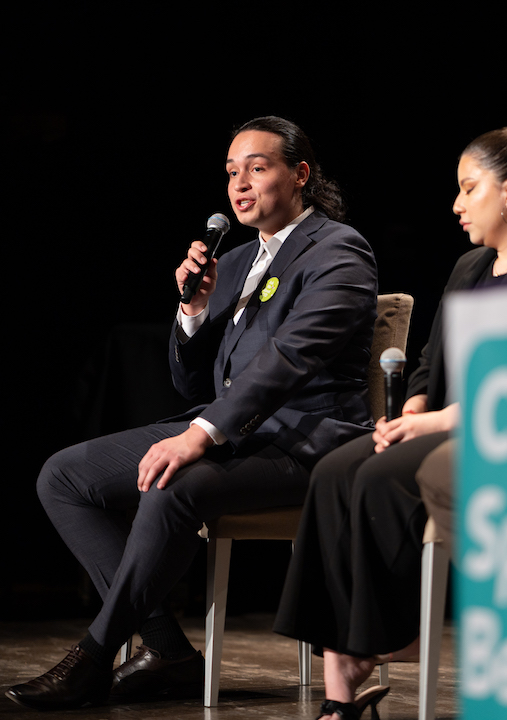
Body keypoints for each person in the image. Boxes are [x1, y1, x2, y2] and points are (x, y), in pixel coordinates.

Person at [6, 116, 378, 711]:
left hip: (304, 442)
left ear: (300, 174)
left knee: (172, 482)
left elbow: (291, 357)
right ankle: (166, 648)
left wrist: (200, 434)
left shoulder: (338, 249)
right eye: (232, 172)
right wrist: (194, 313)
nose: (240, 185)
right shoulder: (236, 261)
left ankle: (94, 656)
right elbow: (192, 382)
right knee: (63, 477)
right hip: (235, 431)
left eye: (257, 168)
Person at [273, 121, 507, 720]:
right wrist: (417, 403)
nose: (456, 205)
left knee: (379, 477)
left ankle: (382, 638)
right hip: (442, 424)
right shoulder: (470, 268)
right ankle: (340, 685)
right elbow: (428, 361)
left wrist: (438, 422)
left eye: (469, 189)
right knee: (334, 472)